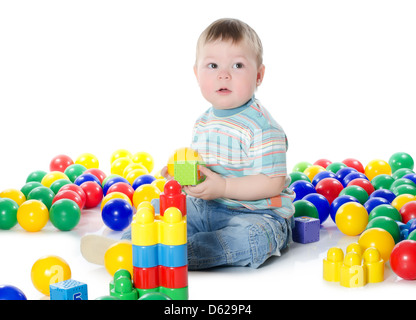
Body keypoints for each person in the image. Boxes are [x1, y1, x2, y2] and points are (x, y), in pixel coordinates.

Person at [81, 18, 295, 270]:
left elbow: (272, 182)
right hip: (207, 206)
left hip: (256, 215)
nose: (223, 74)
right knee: (157, 207)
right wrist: (181, 173)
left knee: (251, 239)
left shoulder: (262, 127)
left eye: (238, 65)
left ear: (258, 75)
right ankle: (129, 246)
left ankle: (173, 255)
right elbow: (202, 169)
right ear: (196, 73)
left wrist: (224, 186)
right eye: (212, 65)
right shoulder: (203, 122)